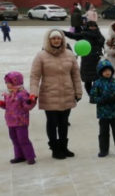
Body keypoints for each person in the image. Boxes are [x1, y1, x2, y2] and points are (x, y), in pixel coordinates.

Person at [29, 29, 82, 159]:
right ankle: (55, 148)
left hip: (67, 93)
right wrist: (33, 93)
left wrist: (78, 91)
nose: (56, 40)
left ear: (62, 40)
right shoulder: (41, 56)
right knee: (52, 122)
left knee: (64, 122)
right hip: (49, 94)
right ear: (49, 40)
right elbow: (35, 76)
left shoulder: (69, 54)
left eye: (58, 38)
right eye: (54, 38)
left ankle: (63, 146)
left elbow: (75, 75)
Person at [89, 59, 115, 157]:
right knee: (103, 132)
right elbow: (92, 98)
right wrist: (102, 99)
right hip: (103, 113)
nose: (107, 72)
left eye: (109, 70)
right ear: (100, 72)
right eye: (105, 70)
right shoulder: (97, 83)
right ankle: (103, 150)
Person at [1, 71, 37, 164]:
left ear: (15, 82)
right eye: (6, 83)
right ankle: (19, 156)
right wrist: (2, 104)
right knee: (14, 139)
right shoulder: (9, 94)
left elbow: (27, 107)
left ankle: (30, 157)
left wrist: (31, 101)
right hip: (10, 121)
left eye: (8, 83)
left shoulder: (23, 94)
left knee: (23, 139)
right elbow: (7, 106)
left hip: (21, 121)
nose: (7, 85)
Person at [64, 20, 105, 95]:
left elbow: (104, 44)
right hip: (87, 60)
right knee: (88, 80)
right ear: (87, 27)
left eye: (94, 26)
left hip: (97, 59)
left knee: (98, 79)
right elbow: (73, 35)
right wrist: (63, 32)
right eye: (91, 26)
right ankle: (91, 95)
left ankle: (97, 95)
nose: (93, 28)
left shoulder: (99, 35)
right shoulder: (83, 35)